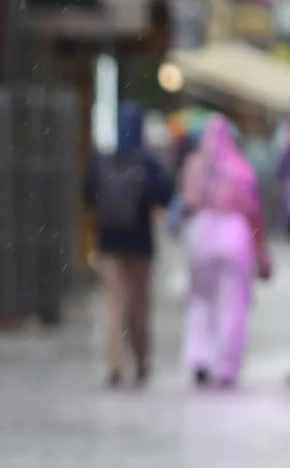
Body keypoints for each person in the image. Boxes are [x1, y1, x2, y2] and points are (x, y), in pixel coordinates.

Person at [84, 101, 176, 388]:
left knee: (113, 304)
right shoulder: (147, 163)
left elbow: (87, 196)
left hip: (109, 242)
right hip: (140, 243)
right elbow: (166, 197)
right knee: (139, 305)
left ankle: (115, 364)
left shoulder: (102, 161)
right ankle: (142, 360)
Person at [180, 114, 271, 389]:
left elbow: (186, 203)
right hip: (233, 232)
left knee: (200, 301)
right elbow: (253, 211)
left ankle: (200, 357)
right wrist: (261, 251)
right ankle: (227, 365)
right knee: (233, 303)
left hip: (201, 232)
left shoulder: (195, 165)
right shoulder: (240, 167)